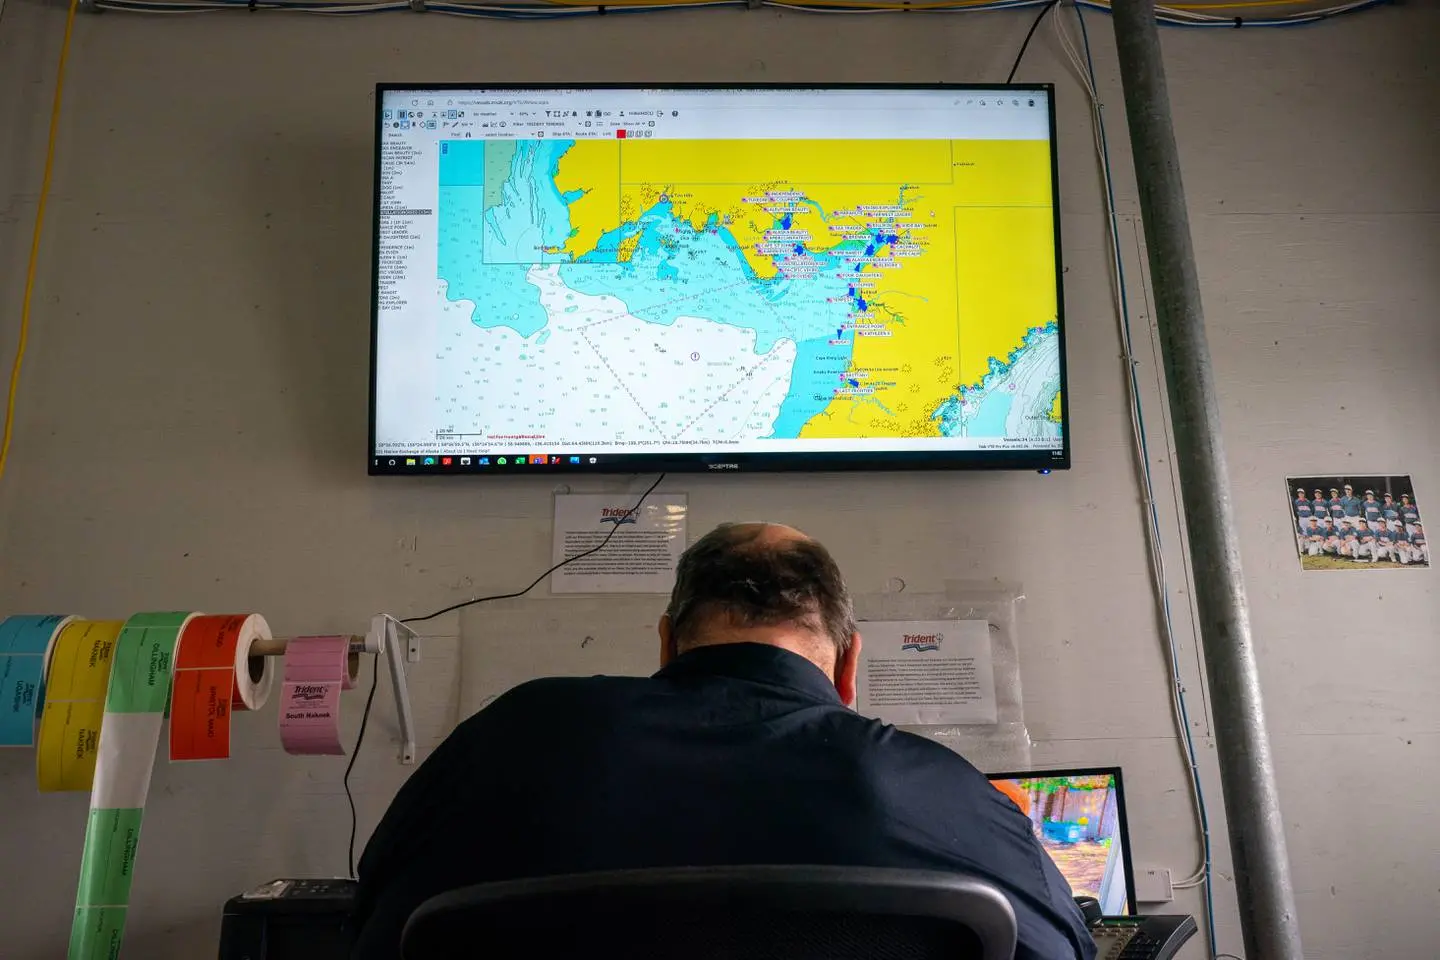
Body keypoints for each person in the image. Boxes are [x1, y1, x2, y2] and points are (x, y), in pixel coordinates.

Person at [350, 523, 1096, 960]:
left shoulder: (511, 738)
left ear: (667, 644)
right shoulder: (936, 790)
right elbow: (1066, 950)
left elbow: (374, 919)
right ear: (849, 665)